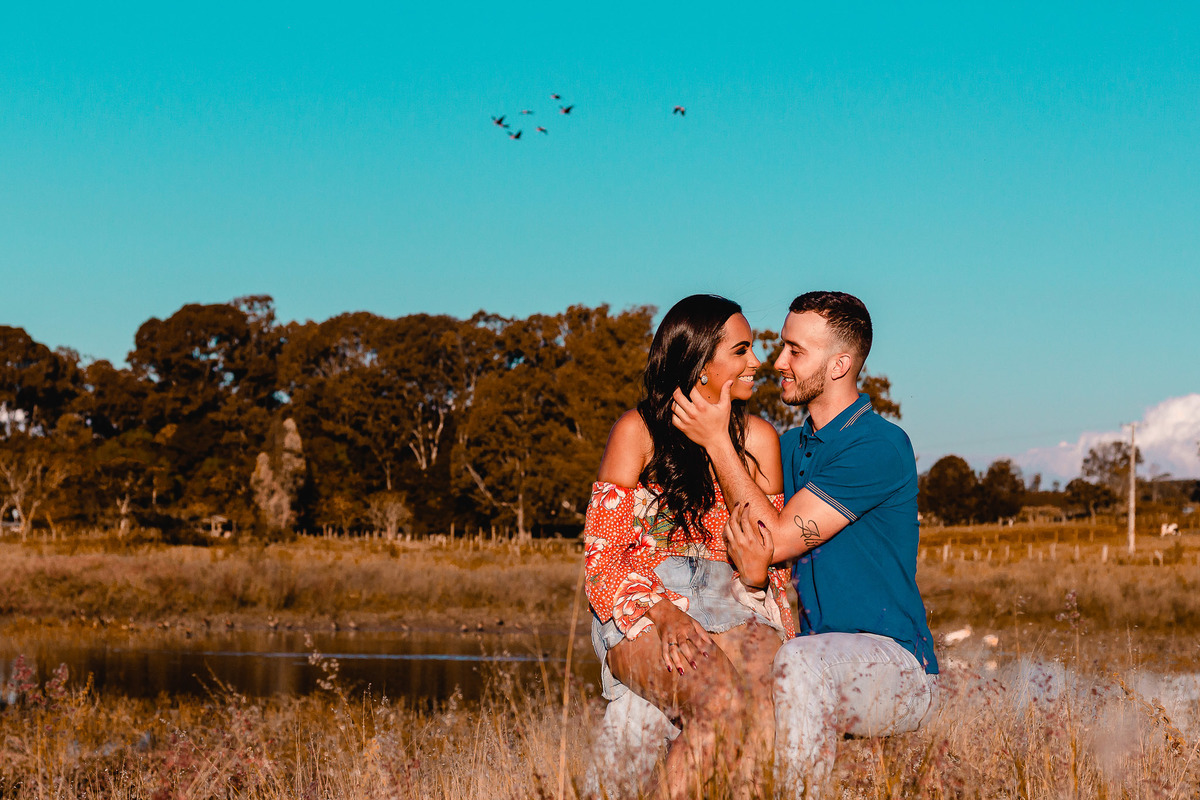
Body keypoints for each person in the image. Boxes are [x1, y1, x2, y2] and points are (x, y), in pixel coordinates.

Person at [672, 291, 939, 798]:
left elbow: (770, 542)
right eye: (781, 347)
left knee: (798, 661)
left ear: (840, 364)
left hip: (898, 667)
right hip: (807, 659)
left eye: (796, 351)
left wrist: (717, 442)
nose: (778, 363)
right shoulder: (785, 447)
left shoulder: (878, 446)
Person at [583, 294, 796, 800]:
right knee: (719, 701)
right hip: (650, 599)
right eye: (742, 350)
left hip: (737, 598)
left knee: (770, 706)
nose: (758, 363)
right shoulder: (636, 432)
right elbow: (603, 553)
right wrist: (666, 615)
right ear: (701, 365)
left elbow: (774, 551)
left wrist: (720, 442)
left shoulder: (760, 438)